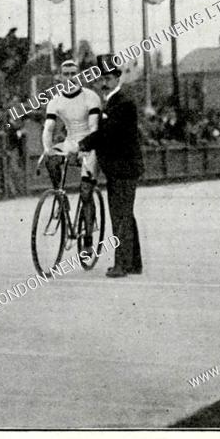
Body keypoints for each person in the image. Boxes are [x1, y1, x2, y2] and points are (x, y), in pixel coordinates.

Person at [78, 55, 144, 278]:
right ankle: (133, 263)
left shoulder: (122, 102)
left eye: (108, 78)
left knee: (120, 215)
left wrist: (85, 143)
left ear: (118, 78)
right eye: (101, 79)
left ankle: (121, 265)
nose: (103, 83)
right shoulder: (115, 101)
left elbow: (109, 133)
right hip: (122, 167)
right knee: (126, 214)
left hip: (122, 168)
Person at [42, 59, 102, 253]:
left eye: (73, 74)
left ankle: (88, 240)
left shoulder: (90, 97)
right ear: (60, 77)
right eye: (65, 74)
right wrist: (47, 148)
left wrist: (82, 148)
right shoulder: (56, 100)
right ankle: (61, 199)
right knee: (51, 160)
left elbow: (94, 128)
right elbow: (48, 129)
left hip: (90, 143)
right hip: (70, 141)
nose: (70, 78)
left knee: (86, 193)